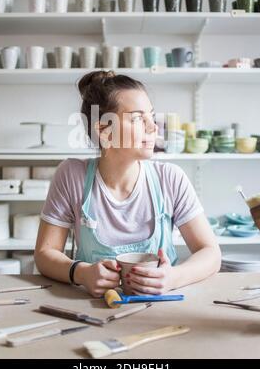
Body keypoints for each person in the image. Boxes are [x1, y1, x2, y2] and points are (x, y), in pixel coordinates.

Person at [35, 70, 221, 298]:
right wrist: (82, 273)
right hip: (92, 311)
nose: (153, 127)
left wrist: (173, 278)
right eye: (137, 119)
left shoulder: (170, 178)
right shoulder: (72, 175)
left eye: (151, 116)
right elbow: (45, 253)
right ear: (104, 131)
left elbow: (211, 253)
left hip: (164, 309)